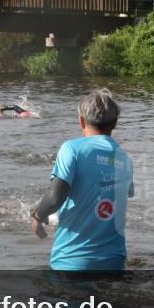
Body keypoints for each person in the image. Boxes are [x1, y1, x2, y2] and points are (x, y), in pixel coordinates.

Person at [30, 89, 134, 271]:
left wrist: (38, 215)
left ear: (81, 121)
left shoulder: (72, 149)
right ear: (115, 123)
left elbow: (55, 197)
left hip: (72, 261)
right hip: (115, 262)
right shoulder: (125, 159)